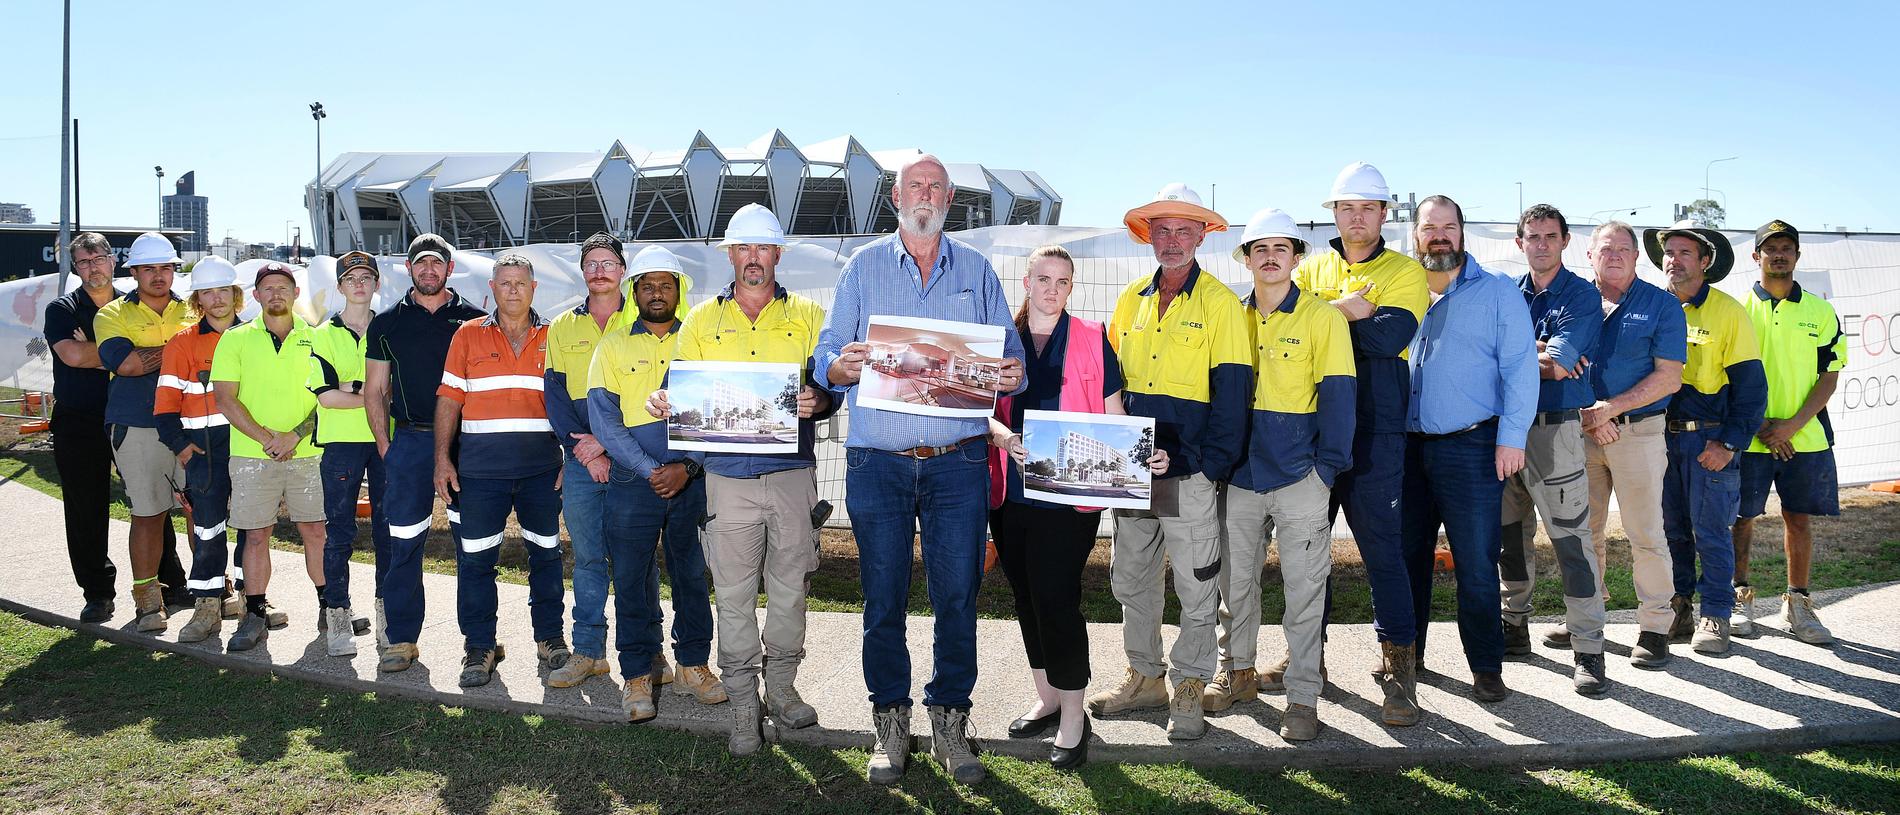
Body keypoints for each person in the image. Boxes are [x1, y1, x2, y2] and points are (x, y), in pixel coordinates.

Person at [813, 153, 1025, 785]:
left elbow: (1008, 358)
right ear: (896, 196)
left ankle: (951, 723)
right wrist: (841, 369)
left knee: (957, 597)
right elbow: (828, 355)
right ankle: (890, 725)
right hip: (879, 461)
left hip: (957, 462)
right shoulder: (863, 267)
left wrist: (1011, 373)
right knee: (882, 599)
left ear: (949, 197)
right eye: (915, 185)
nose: (925, 194)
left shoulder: (978, 271)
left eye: (935, 185)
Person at [647, 205, 838, 755]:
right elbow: (679, 388)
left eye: (763, 248)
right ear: (730, 255)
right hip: (726, 481)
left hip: (790, 476)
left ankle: (780, 688)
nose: (753, 259)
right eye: (743, 249)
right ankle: (741, 703)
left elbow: (834, 387)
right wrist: (666, 399)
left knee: (789, 589)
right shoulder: (703, 321)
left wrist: (819, 399)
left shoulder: (807, 315)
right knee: (731, 595)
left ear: (778, 253)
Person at [985, 244, 1165, 768]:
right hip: (1010, 491)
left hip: (1068, 498)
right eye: (1043, 278)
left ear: (1071, 287)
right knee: (1024, 596)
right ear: (1026, 281)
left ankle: (1072, 715)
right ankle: (1046, 698)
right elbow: (977, 412)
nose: (1052, 289)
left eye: (1063, 281)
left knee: (1056, 599)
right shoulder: (1002, 340)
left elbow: (1113, 415)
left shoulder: (1092, 338)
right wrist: (1002, 438)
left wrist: (1135, 456)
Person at [1087, 182, 1248, 743]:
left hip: (1188, 472)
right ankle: (1145, 676)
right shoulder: (1130, 299)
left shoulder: (1223, 305)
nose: (1173, 240)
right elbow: (1109, 387)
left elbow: (1232, 397)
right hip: (1133, 472)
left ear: (1203, 235)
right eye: (1163, 230)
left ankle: (1189, 684)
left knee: (1197, 581)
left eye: (1185, 230)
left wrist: (1204, 464)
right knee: (1132, 578)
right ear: (1148, 235)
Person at [1291, 162, 1429, 726]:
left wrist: (1321, 320)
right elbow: (1285, 333)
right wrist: (1347, 310)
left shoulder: (1406, 272)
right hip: (1314, 432)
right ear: (1333, 214)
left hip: (1376, 432)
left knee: (1382, 553)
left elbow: (1388, 336)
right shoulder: (1311, 268)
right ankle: (1308, 662)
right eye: (1345, 208)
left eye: (1366, 208)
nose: (1355, 217)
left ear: (1384, 214)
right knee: (1306, 555)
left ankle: (1398, 674)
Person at [1212, 210, 1354, 741]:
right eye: (1259, 248)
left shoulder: (1323, 319)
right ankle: (1239, 675)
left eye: (1281, 248)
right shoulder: (1229, 315)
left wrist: (1325, 471)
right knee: (1236, 587)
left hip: (1301, 478)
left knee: (1303, 591)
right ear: (1246, 259)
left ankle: (1301, 698)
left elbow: (1340, 399)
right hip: (1241, 477)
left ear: (1296, 258)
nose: (1270, 257)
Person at [1401, 195, 1537, 703]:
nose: (1439, 235)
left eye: (1449, 226)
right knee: (1405, 555)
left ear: (1463, 233)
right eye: (1429, 226)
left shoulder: (1499, 293)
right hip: (1405, 450)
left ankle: (1485, 665)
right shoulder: (1399, 290)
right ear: (1415, 235)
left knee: (1477, 562)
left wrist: (1511, 438)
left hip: (1473, 447)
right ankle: (1405, 655)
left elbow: (1520, 368)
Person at [586, 246, 723, 722]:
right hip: (631, 482)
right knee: (630, 579)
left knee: (690, 574)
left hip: (691, 481)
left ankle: (693, 664)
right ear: (634, 292)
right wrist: (649, 469)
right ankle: (638, 674)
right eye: (647, 285)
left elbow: (721, 411)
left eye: (666, 284)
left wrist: (688, 464)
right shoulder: (614, 346)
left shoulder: (702, 341)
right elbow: (604, 421)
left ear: (678, 291)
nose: (657, 293)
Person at [433, 253, 569, 688]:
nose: (513, 289)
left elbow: (569, 403)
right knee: (475, 561)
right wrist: (442, 458)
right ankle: (480, 645)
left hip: (541, 472)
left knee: (546, 555)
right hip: (480, 473)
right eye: (505, 283)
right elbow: (449, 399)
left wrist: (567, 454)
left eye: (521, 283)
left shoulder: (555, 336)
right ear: (492, 289)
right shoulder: (467, 335)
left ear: (533, 289)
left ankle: (550, 638)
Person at [543, 233, 667, 690]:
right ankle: (588, 652)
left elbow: (649, 397)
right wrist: (580, 447)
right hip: (580, 460)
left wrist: (606, 443)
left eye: (608, 262)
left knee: (640, 561)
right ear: (583, 271)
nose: (599, 270)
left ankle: (652, 653)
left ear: (623, 271)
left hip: (632, 458)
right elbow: (554, 394)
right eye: (591, 263)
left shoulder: (646, 319)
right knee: (590, 558)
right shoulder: (562, 327)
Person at [1499, 204, 1611, 695]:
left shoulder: (1582, 295)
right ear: (1519, 242)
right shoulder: (1505, 294)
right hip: (1505, 429)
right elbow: (1503, 357)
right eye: (1532, 236)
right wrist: (1539, 353)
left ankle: (1588, 648)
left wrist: (1527, 358)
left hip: (1556, 430)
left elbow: (1560, 367)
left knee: (1570, 540)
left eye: (1550, 236)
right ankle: (1513, 625)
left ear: (1566, 241)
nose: (1540, 244)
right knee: (1509, 537)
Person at [362, 234, 486, 672]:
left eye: (437, 264)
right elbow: (374, 390)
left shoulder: (475, 320)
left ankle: (477, 641)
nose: (428, 271)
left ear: (449, 269)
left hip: (465, 444)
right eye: (421, 264)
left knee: (470, 545)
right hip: (410, 443)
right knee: (404, 542)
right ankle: (401, 639)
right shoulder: (387, 323)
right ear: (409, 269)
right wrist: (386, 446)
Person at [1646, 220, 1767, 655]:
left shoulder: (1728, 312)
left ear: (1705, 261)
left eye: (1683, 253)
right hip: (1660, 441)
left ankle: (1716, 614)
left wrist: (1729, 444)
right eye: (1669, 253)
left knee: (1712, 531)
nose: (1673, 261)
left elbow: (1752, 390)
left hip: (1708, 443)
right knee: (1670, 531)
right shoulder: (1656, 307)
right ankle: (1679, 607)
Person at [1577, 221, 1686, 668]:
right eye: (1607, 248)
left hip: (1638, 434)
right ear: (1590, 255)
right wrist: (1592, 414)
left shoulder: (1661, 305)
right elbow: (1554, 357)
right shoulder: (1575, 301)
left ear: (1637, 257)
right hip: (1582, 432)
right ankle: (1586, 620)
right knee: (1583, 535)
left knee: (1646, 534)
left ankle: (1655, 627)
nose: (1616, 255)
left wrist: (1612, 409)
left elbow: (1669, 376)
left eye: (1625, 248)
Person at [209, 262, 331, 652]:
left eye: (284, 287)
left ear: (296, 294)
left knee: (316, 533)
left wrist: (294, 435)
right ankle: (255, 614)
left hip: (309, 453)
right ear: (256, 296)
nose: (276, 293)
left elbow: (328, 396)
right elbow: (226, 399)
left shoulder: (318, 338)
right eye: (268, 288)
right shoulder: (235, 338)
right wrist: (268, 439)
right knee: (256, 535)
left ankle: (331, 608)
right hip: (251, 455)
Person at [1731, 220, 1842, 645]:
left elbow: (1829, 377)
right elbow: (1726, 375)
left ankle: (1798, 604)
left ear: (1797, 256)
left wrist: (1790, 427)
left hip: (1805, 437)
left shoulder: (1820, 310)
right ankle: (1739, 598)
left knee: (1798, 518)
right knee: (1741, 518)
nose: (1779, 254)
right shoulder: (1738, 308)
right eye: (1770, 248)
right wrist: (1760, 425)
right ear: (1755, 256)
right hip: (1749, 434)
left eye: (1786, 248)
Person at [93, 232, 195, 631]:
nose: (158, 275)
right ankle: (149, 602)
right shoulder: (112, 314)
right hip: (137, 424)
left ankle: (213, 593)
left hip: (193, 422)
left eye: (165, 267)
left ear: (174, 269)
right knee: (149, 513)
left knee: (201, 512)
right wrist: (183, 349)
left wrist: (154, 351)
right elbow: (129, 365)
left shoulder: (193, 306)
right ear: (133, 271)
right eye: (149, 268)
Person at [155, 256, 244, 642]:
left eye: (224, 289)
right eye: (208, 292)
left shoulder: (256, 336)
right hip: (204, 450)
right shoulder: (182, 343)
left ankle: (250, 600)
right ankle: (207, 605)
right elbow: (163, 408)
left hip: (248, 445)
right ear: (198, 300)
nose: (218, 298)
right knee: (208, 529)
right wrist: (182, 447)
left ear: (235, 294)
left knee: (253, 528)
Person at [45, 232, 128, 622]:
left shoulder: (133, 304)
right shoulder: (62, 309)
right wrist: (119, 354)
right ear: (75, 268)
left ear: (113, 260)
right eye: (83, 261)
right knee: (85, 508)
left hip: (131, 415)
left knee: (151, 503)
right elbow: (74, 356)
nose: (93, 266)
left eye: (98, 258)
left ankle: (168, 581)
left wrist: (97, 350)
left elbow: (160, 352)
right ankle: (97, 592)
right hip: (79, 419)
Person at [307, 251, 386, 657]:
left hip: (384, 440)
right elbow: (327, 398)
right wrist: (370, 391)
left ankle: (387, 617)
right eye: (351, 277)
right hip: (340, 443)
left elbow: (393, 391)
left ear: (376, 284)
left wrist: (353, 386)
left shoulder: (387, 329)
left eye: (366, 277)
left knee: (388, 530)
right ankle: (337, 613)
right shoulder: (323, 333)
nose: (358, 283)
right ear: (339, 286)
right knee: (340, 532)